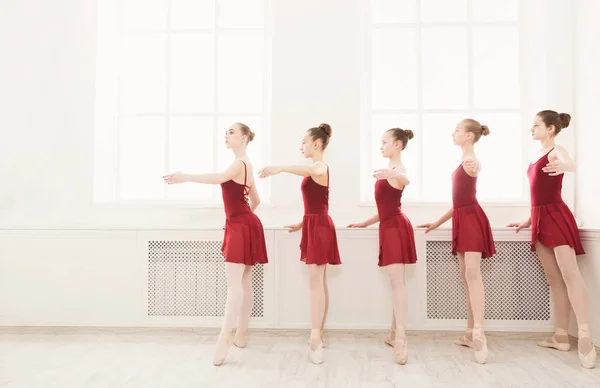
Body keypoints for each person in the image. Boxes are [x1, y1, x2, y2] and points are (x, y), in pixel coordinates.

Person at [163, 123, 268, 366]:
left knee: (235, 287)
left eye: (232, 132)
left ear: (243, 138)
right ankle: (241, 335)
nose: (227, 134)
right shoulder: (246, 165)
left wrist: (185, 177)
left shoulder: (240, 163)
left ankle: (225, 340)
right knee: (244, 284)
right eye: (227, 132)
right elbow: (256, 200)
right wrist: (242, 221)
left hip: (242, 225)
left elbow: (220, 178)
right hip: (245, 224)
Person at [508, 111, 596, 369]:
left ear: (550, 129)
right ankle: (560, 336)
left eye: (536, 125)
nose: (531, 128)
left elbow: (571, 163)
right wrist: (528, 219)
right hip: (539, 218)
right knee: (553, 278)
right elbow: (538, 194)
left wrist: (564, 166)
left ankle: (585, 335)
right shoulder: (535, 156)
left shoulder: (557, 150)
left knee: (570, 273)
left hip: (556, 216)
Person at [258, 123, 341, 364]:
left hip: (321, 228)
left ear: (316, 144)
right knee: (319, 283)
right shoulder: (316, 168)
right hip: (314, 225)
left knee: (316, 284)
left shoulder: (320, 165)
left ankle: (315, 338)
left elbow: (309, 173)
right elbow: (317, 204)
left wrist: (280, 168)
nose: (301, 145)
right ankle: (319, 334)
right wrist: (302, 223)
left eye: (304, 141)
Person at [417, 119, 495, 364]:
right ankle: (471, 333)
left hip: (471, 219)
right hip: (462, 218)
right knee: (465, 275)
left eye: (457, 130)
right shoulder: (463, 160)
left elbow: (476, 167)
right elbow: (457, 203)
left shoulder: (470, 161)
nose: (453, 133)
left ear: (469, 136)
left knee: (472, 274)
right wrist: (435, 224)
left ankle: (480, 331)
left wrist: (475, 165)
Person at [348, 127, 417, 365]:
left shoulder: (399, 170)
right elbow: (385, 209)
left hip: (396, 227)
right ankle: (393, 334)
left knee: (397, 282)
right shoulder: (391, 170)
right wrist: (364, 223)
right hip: (389, 225)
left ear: (397, 145)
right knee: (396, 282)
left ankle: (401, 339)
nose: (381, 146)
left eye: (385, 142)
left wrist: (393, 173)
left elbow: (406, 179)